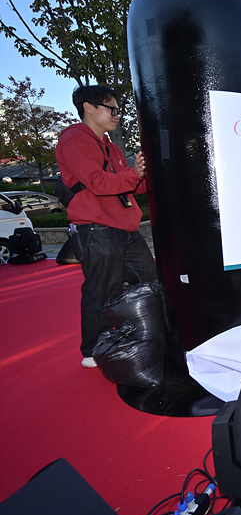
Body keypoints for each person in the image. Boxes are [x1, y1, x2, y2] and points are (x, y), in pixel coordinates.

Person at [55, 85, 157, 368]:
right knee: (101, 289)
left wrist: (147, 175)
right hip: (96, 227)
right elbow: (98, 182)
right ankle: (93, 350)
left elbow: (128, 184)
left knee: (149, 279)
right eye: (111, 108)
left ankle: (144, 332)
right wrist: (133, 174)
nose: (116, 115)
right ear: (88, 107)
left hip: (124, 226)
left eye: (117, 110)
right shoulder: (75, 138)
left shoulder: (111, 146)